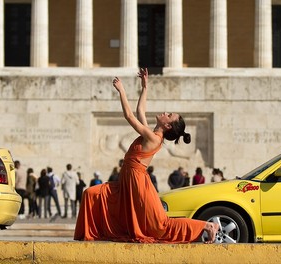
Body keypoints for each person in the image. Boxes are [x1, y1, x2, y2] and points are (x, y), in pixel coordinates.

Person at [74, 68, 218, 243]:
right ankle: (88, 235)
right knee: (90, 193)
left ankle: (207, 226)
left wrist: (122, 91)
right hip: (128, 182)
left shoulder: (153, 138)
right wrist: (145, 87)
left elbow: (129, 116)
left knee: (160, 226)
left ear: (168, 126)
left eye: (169, 115)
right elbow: (140, 111)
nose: (165, 113)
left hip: (138, 184)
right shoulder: (151, 133)